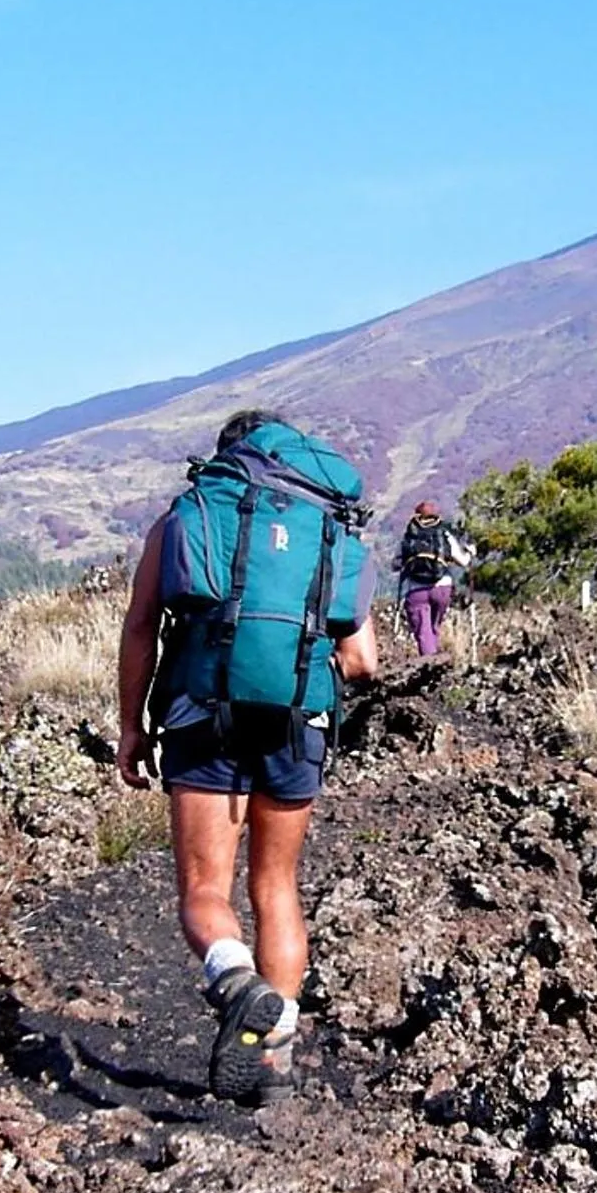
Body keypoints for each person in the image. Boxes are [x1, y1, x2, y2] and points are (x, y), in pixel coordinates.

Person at [117, 410, 380, 1105]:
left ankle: (236, 983)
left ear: (226, 458)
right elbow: (362, 662)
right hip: (297, 721)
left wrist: (131, 728)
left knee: (206, 889)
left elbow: (141, 626)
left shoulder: (190, 513)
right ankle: (275, 1065)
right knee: (276, 886)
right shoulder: (328, 525)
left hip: (202, 712)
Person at [395, 501, 472, 657]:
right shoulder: (443, 533)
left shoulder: (410, 534)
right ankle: (436, 661)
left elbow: (395, 564)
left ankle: (430, 663)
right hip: (442, 587)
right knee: (434, 626)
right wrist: (470, 553)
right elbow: (463, 561)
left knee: (424, 633)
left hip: (416, 590)